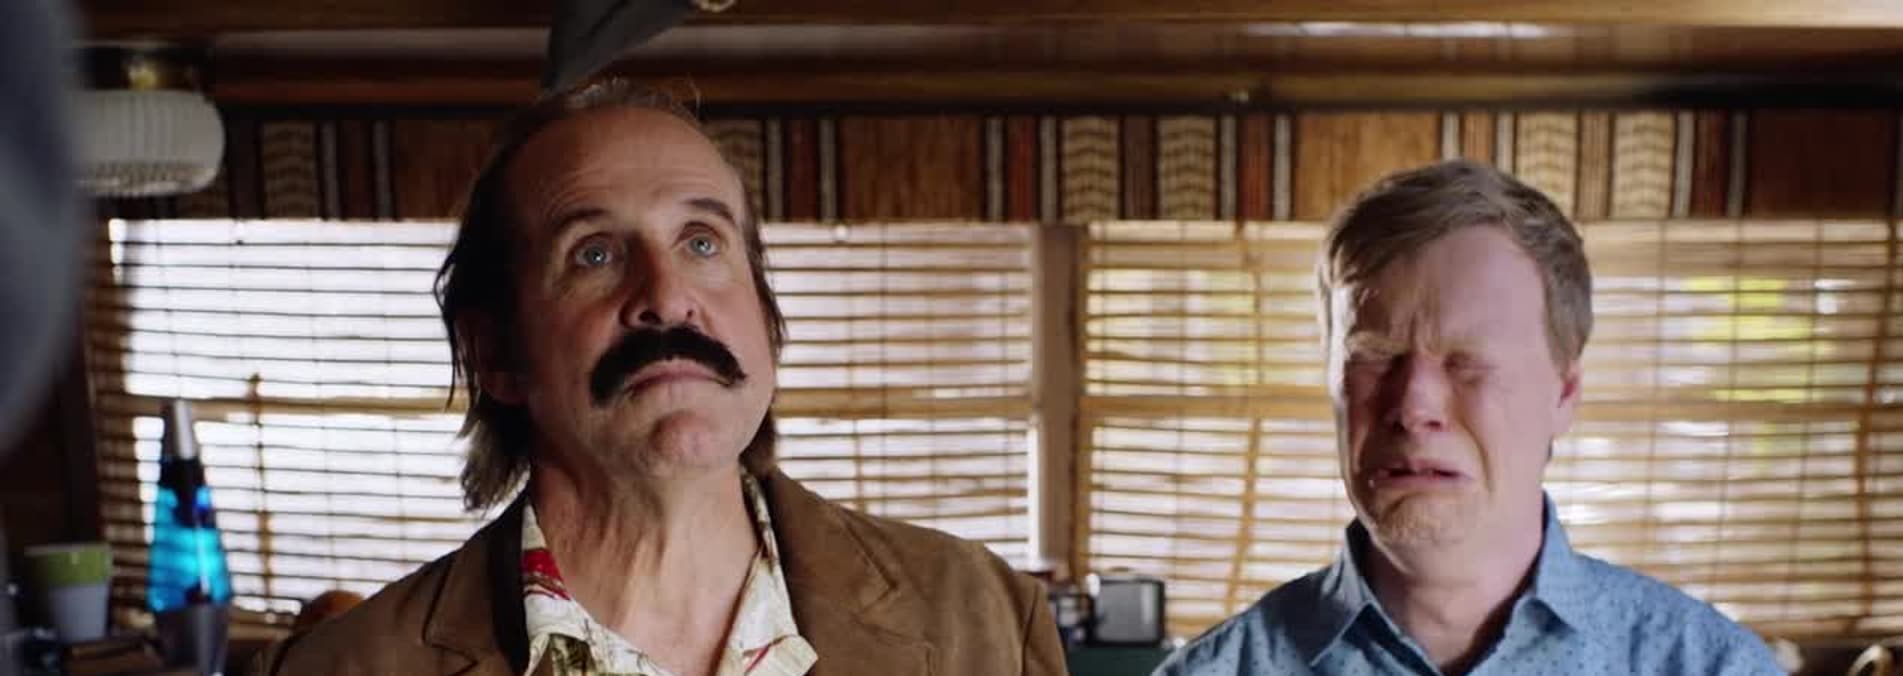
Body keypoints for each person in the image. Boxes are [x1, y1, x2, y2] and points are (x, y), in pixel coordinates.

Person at [258, 79, 1066, 676]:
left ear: (766, 319)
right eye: (594, 254)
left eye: (703, 242)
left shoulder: (984, 620)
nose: (668, 296)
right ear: (496, 353)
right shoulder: (339, 669)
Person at [1153, 161, 1780, 675]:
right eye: (1376, 356)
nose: (1413, 407)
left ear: (1564, 394)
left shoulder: (1712, 668)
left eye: (1467, 362)